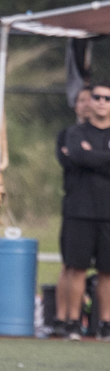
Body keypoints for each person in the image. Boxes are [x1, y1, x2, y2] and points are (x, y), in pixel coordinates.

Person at [62, 80, 110, 342]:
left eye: (107, 98)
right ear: (89, 101)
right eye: (98, 97)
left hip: (107, 213)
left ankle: (105, 324)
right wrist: (103, 157)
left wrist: (93, 157)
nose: (102, 102)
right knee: (76, 268)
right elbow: (78, 157)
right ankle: (72, 322)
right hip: (79, 211)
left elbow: (86, 159)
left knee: (107, 271)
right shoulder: (75, 133)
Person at [53, 86, 92, 338]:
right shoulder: (67, 134)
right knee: (71, 264)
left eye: (93, 99)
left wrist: (88, 156)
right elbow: (69, 160)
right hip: (76, 206)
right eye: (82, 100)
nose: (88, 104)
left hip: (102, 208)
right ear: (75, 105)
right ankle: (63, 319)